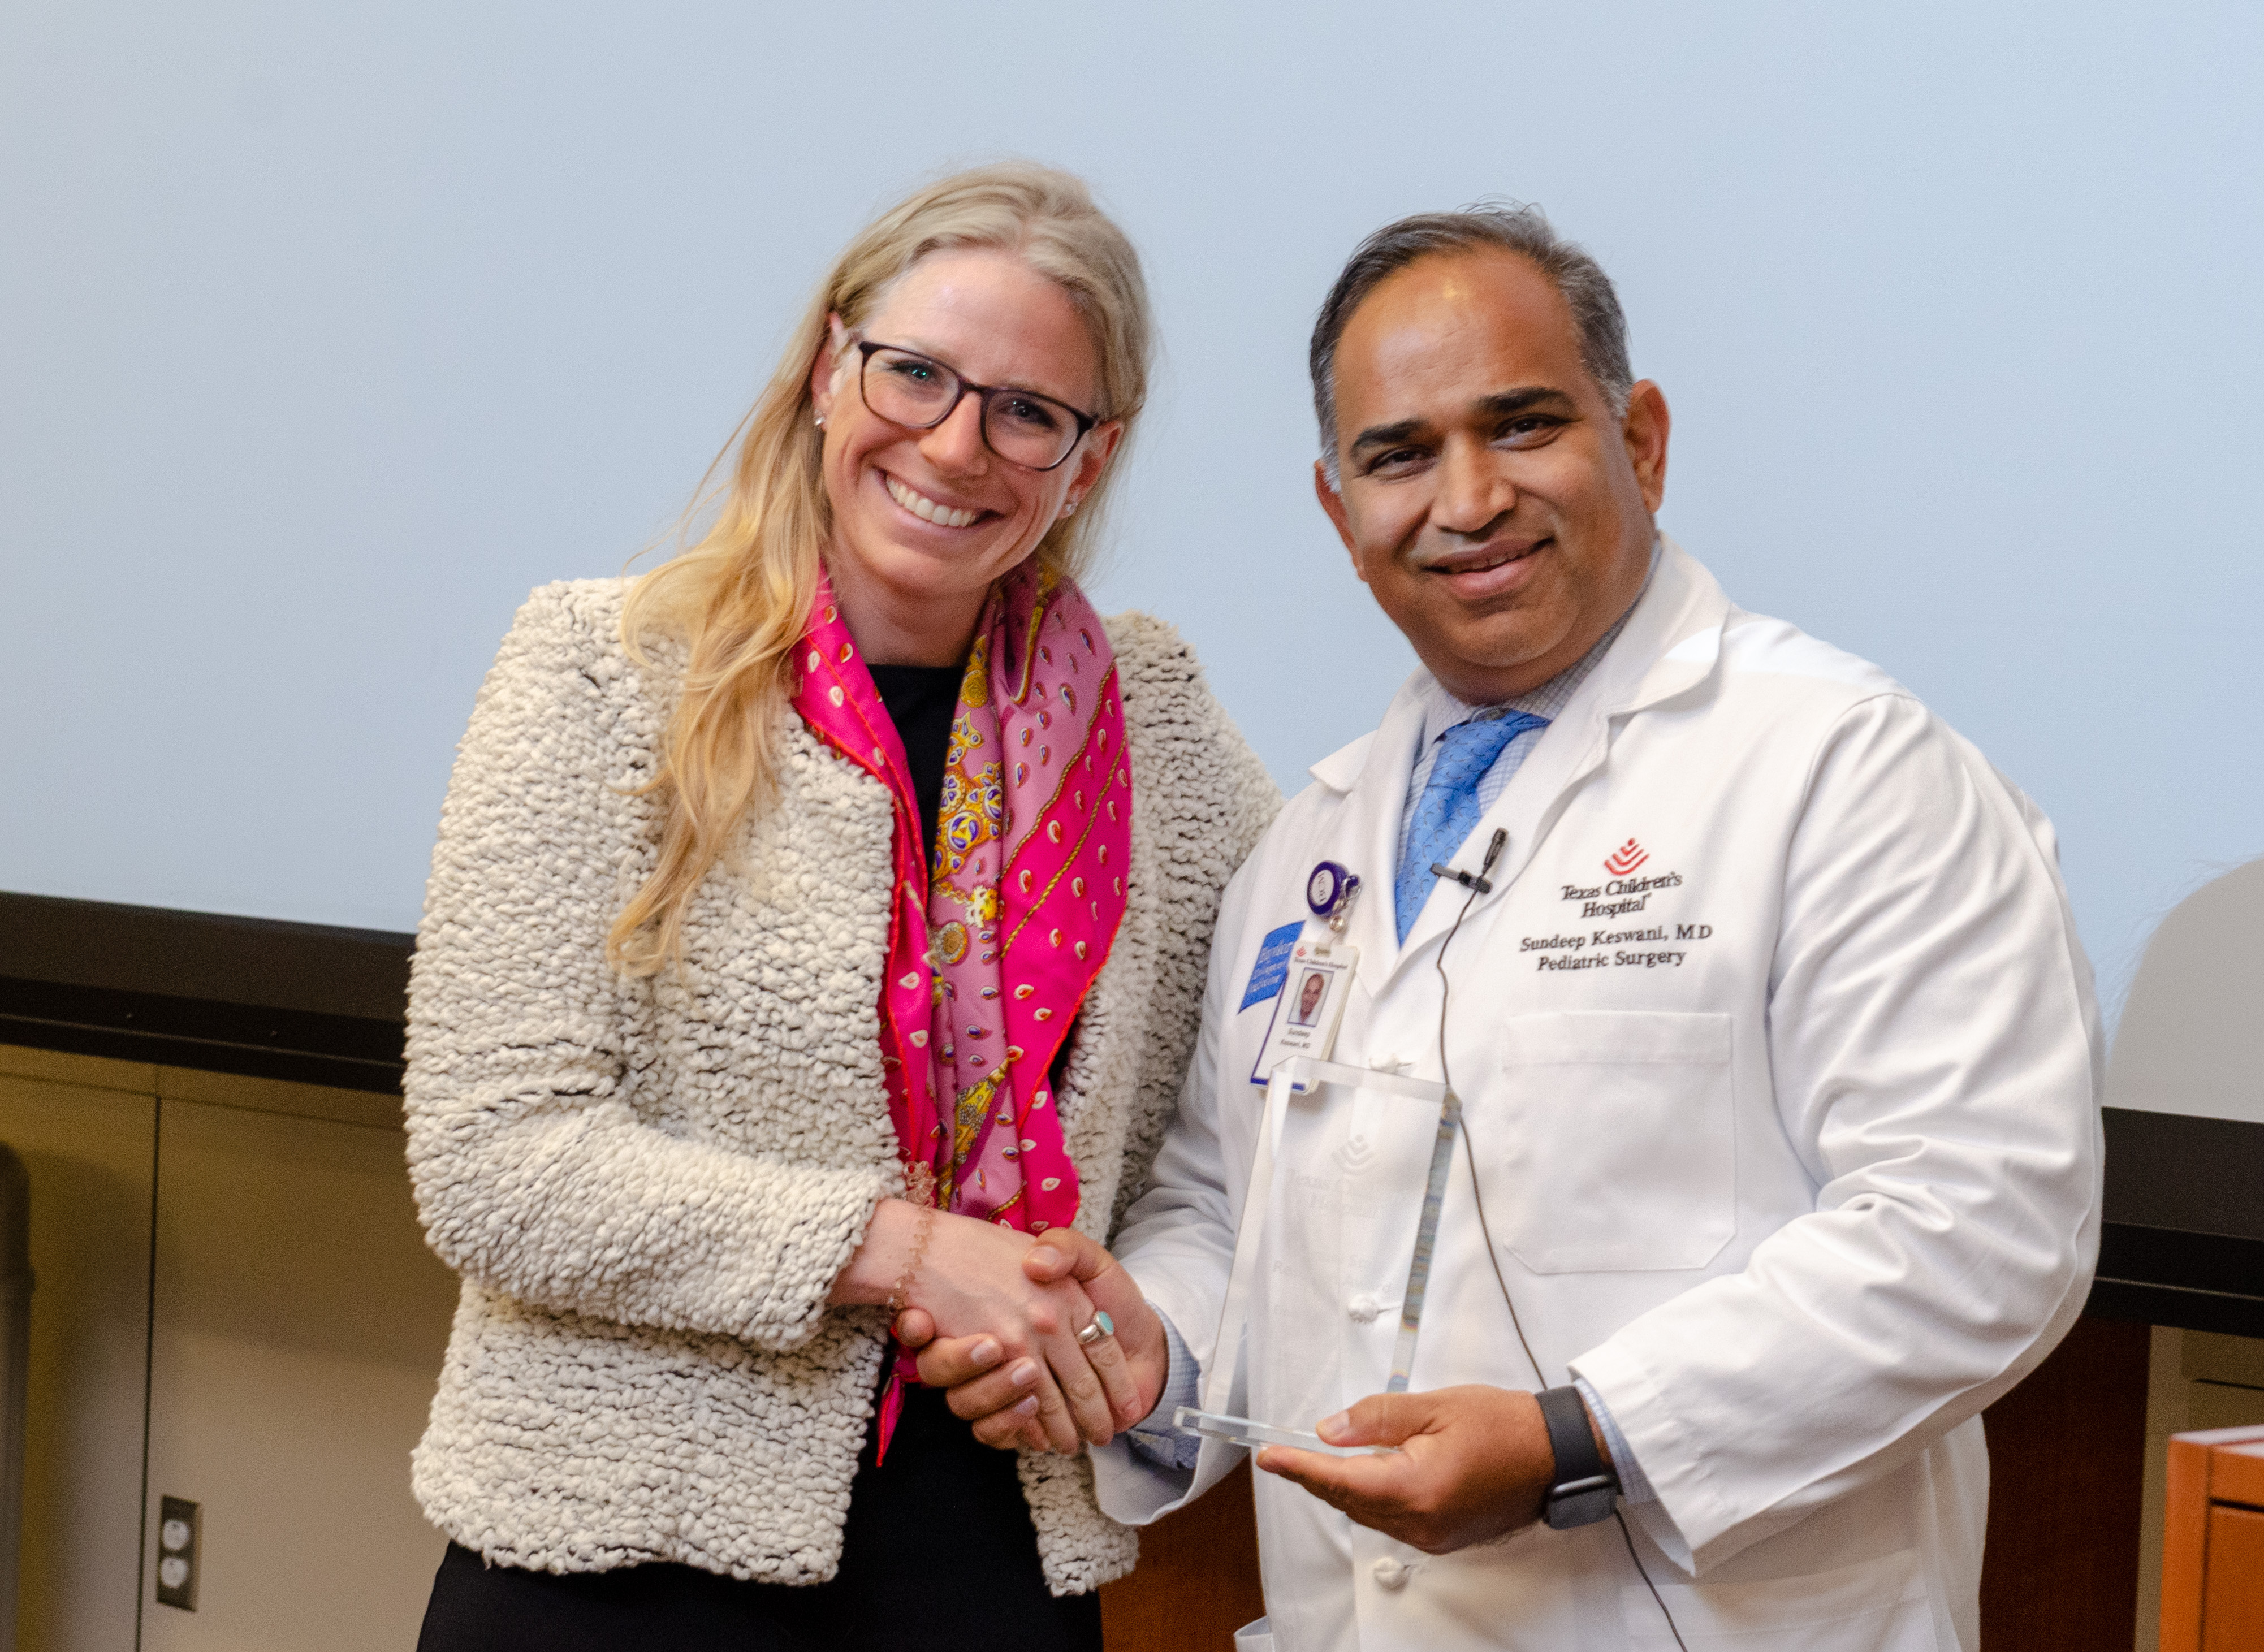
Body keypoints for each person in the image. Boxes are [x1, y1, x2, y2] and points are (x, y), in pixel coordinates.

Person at [919, 205, 2101, 1649]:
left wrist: (1574, 1440)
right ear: (1337, 510)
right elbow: (1225, 1208)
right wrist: (1144, 1345)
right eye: (1398, 456)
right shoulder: (1310, 847)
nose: (1464, 500)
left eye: (1522, 426)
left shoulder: (1844, 772)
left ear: (1642, 440)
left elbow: (1979, 1228)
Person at [401, 162, 1280, 1651]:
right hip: (617, 1565)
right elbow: (495, 1161)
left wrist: (1145, 1324)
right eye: (917, 373)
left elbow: (1280, 1117)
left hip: (993, 1557)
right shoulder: (603, 670)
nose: (957, 441)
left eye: (1028, 411)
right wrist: (905, 1249)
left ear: (1090, 456)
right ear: (829, 369)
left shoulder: (1158, 723)